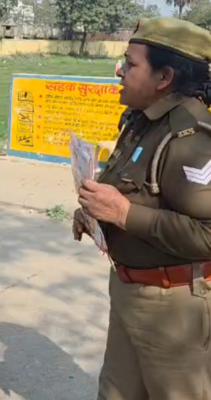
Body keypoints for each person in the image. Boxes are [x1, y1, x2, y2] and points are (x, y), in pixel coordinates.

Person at [73, 17, 211, 400]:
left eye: (131, 64)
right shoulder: (143, 121)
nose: (120, 71)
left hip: (172, 311)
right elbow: (131, 191)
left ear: (164, 77)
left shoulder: (189, 136)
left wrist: (123, 213)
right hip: (128, 292)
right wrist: (97, 213)